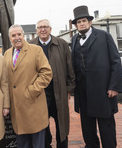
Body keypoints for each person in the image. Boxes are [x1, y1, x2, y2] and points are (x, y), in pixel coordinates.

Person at [71, 5, 122, 148]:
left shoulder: (103, 36)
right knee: (87, 128)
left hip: (102, 90)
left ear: (90, 22)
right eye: (78, 22)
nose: (81, 23)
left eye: (83, 21)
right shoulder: (75, 39)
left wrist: (114, 86)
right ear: (76, 25)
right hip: (83, 91)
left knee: (106, 126)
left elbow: (115, 61)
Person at [4, 24, 52, 148]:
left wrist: (32, 91)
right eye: (13, 35)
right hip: (17, 109)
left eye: (19, 34)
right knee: (22, 143)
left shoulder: (36, 50)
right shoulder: (7, 54)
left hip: (33, 105)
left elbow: (46, 73)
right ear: (10, 38)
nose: (17, 37)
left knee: (37, 143)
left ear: (23, 35)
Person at [30, 19, 75, 148]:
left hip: (59, 91)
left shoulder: (62, 44)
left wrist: (69, 89)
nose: (42, 29)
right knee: (42, 124)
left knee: (61, 123)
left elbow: (69, 68)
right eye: (40, 27)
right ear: (36, 30)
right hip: (40, 93)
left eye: (45, 27)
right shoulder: (30, 45)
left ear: (50, 29)